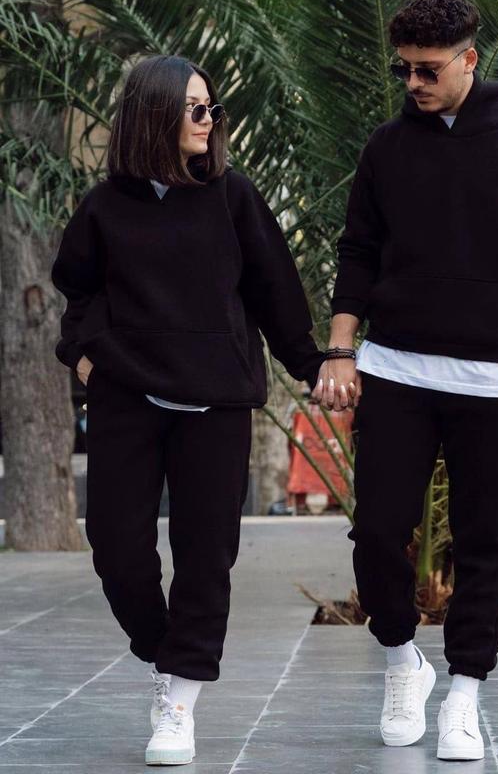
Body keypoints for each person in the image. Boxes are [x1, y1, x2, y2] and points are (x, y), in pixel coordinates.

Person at [313, 0, 498, 761]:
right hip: (395, 369)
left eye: (427, 70)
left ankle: (464, 690)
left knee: (487, 541)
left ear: (469, 59)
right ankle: (402, 661)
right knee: (375, 530)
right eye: (401, 69)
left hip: (495, 380)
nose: (412, 83)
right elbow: (357, 251)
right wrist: (340, 349)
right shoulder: (386, 147)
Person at [51, 54, 324, 766]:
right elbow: (77, 294)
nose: (209, 120)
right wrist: (83, 356)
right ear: (154, 115)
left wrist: (313, 366)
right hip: (127, 399)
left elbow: (276, 293)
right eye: (195, 109)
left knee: (206, 556)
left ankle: (179, 696)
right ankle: (165, 652)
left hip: (217, 403)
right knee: (116, 548)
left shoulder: (233, 197)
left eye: (211, 108)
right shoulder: (104, 207)